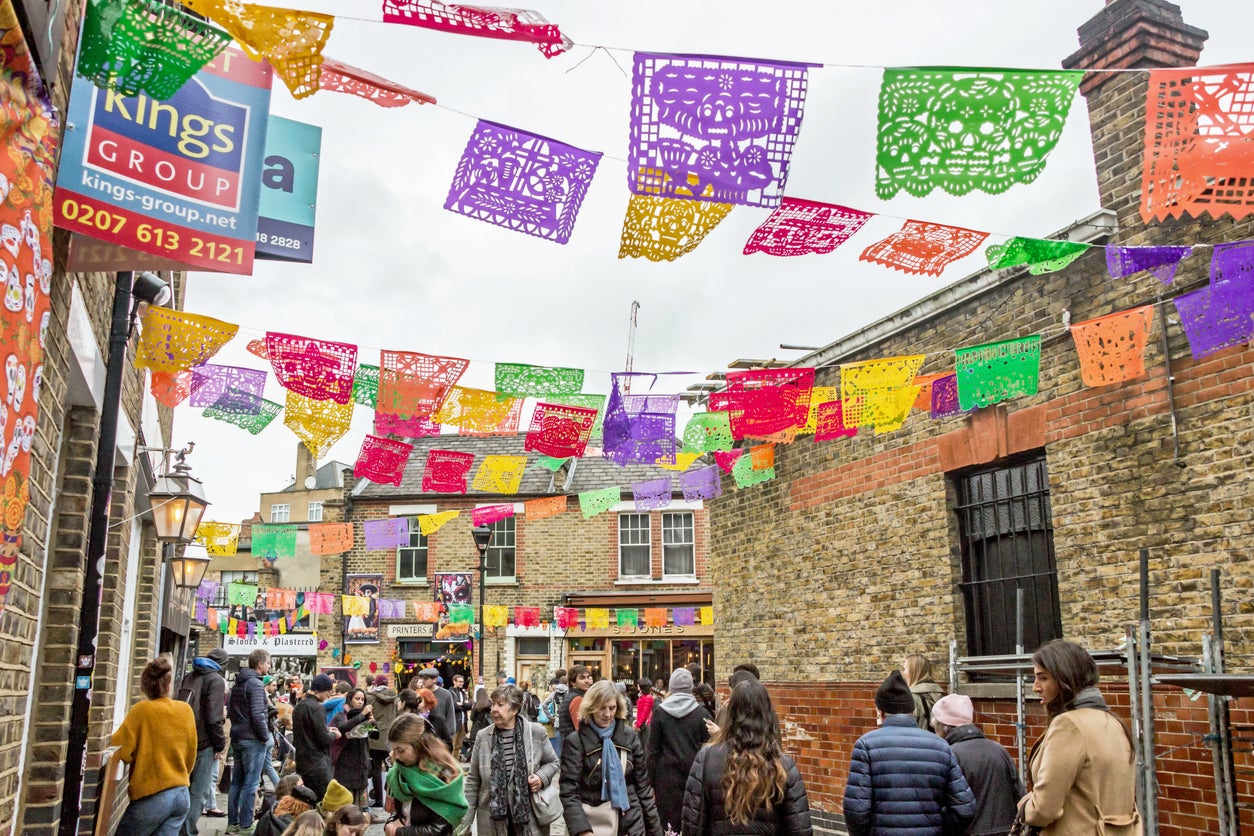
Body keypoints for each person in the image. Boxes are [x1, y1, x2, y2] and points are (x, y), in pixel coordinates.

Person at [1019, 640, 1140, 835]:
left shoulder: (1069, 725)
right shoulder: (1114, 723)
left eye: (1043, 678)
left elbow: (1044, 808)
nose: (1036, 687)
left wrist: (1025, 807)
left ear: (1064, 677)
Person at [842, 670, 976, 836]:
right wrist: (938, 827)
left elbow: (856, 810)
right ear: (911, 711)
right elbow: (965, 808)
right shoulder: (941, 746)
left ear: (881, 711)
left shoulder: (866, 746)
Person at [680, 678, 810, 836]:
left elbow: (692, 822)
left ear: (732, 714)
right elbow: (800, 828)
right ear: (767, 714)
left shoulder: (706, 758)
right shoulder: (783, 765)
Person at [559, 679, 662, 836]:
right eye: (602, 708)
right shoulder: (576, 741)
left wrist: (655, 829)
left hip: (631, 822)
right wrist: (582, 830)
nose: (607, 714)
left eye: (612, 708)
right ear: (591, 707)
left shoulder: (629, 737)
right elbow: (569, 791)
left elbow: (643, 788)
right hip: (594, 824)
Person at [112, 656, 198, 836]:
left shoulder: (141, 711)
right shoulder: (185, 711)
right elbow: (191, 754)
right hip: (181, 794)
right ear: (168, 685)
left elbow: (121, 750)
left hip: (152, 797)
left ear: (145, 686)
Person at [464, 684, 560, 836]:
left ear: (515, 709)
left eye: (500, 705)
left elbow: (553, 762)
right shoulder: (483, 736)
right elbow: (473, 781)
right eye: (493, 704)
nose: (494, 709)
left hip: (529, 819)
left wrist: (541, 778)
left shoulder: (535, 733)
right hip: (491, 822)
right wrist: (466, 823)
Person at [930, 694, 1024, 836]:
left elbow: (942, 805)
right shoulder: (999, 750)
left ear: (943, 727)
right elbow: (1019, 795)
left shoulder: (949, 754)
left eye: (935, 728)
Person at [648, 669, 712, 833]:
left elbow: (652, 751)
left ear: (672, 687)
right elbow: (710, 750)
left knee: (668, 827)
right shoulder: (702, 715)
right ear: (691, 688)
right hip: (695, 777)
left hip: (665, 779)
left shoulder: (659, 713)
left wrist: (649, 782)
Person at [384, 713, 469, 836]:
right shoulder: (400, 771)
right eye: (394, 750)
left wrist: (398, 832)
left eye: (401, 750)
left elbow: (443, 828)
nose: (396, 757)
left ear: (419, 745)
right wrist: (391, 822)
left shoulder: (444, 774)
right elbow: (401, 810)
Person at [178, 646, 229, 836]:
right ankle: (188, 831)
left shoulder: (190, 676)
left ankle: (178, 828)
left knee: (183, 788)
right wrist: (219, 743)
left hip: (184, 740)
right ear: (222, 665)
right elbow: (214, 718)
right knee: (197, 793)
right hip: (203, 743)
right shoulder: (215, 680)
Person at [228, 649, 273, 834]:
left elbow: (230, 709)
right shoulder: (255, 684)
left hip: (237, 736)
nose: (269, 666)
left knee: (236, 782)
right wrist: (264, 736)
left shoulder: (238, 683)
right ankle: (246, 825)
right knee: (251, 783)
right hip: (253, 739)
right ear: (260, 664)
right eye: (268, 663)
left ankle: (233, 824)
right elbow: (257, 714)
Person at [293, 673, 344, 800]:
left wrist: (327, 729)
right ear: (320, 690)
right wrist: (334, 734)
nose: (329, 694)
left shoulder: (299, 707)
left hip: (302, 762)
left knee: (306, 802)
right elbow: (324, 739)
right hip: (317, 764)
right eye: (328, 691)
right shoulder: (317, 708)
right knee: (323, 802)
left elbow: (307, 731)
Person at [332, 689, 375, 813]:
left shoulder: (365, 717)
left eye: (362, 699)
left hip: (361, 759)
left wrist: (372, 721)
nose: (360, 702)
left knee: (360, 789)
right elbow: (343, 728)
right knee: (346, 790)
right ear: (350, 700)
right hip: (346, 758)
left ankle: (362, 813)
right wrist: (361, 715)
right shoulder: (342, 715)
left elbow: (375, 735)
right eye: (357, 699)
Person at [369, 674, 400, 813]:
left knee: (375, 769)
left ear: (375, 684)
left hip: (374, 737)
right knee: (394, 769)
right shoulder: (395, 698)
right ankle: (394, 798)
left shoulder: (370, 697)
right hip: (390, 737)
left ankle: (379, 800)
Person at [416, 668, 457, 750]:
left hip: (440, 737)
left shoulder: (445, 694)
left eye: (426, 678)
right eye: (421, 678)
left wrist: (448, 736)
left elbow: (450, 716)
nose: (423, 681)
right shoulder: (418, 694)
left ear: (434, 679)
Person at [903, 653, 944, 731]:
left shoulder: (911, 697)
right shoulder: (939, 694)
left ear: (913, 672)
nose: (904, 673)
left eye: (905, 669)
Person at [557, 665, 592, 744]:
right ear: (573, 682)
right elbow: (580, 729)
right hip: (575, 747)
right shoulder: (577, 699)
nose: (587, 681)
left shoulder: (572, 696)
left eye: (588, 677)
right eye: (582, 678)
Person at [463, 686, 493, 759]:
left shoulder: (476, 705)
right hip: (487, 726)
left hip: (477, 728)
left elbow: (472, 718)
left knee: (475, 746)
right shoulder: (490, 704)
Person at [542, 680, 569, 758]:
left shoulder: (554, 694)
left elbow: (544, 705)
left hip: (557, 722)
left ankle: (558, 766)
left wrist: (551, 717)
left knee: (558, 746)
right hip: (567, 722)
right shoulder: (568, 694)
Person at [450, 674, 472, 760]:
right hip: (455, 722)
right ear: (454, 682)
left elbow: (470, 705)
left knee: (458, 745)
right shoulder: (451, 692)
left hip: (463, 722)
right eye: (459, 681)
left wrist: (462, 704)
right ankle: (451, 764)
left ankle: (456, 764)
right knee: (453, 744)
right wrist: (464, 705)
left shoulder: (463, 693)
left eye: (462, 681)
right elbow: (454, 707)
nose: (462, 683)